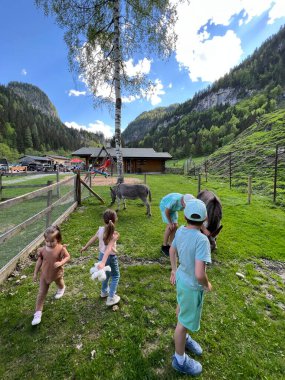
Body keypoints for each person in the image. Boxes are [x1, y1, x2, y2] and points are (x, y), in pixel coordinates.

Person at [169, 199, 212, 376]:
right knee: (183, 323)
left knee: (181, 306)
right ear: (205, 219)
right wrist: (207, 284)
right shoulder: (202, 241)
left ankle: (184, 338)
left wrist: (173, 270)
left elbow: (172, 250)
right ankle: (180, 359)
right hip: (192, 287)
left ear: (185, 215)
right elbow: (200, 274)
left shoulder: (180, 231)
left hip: (181, 280)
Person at [32, 225, 70, 326]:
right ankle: (37, 313)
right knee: (41, 293)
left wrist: (61, 262)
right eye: (47, 241)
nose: (49, 243)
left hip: (56, 273)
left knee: (59, 282)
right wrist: (35, 273)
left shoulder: (61, 248)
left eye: (52, 241)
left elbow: (67, 257)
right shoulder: (43, 250)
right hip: (44, 275)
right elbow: (39, 262)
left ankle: (62, 288)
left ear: (58, 240)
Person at [81, 209, 120, 306]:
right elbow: (109, 249)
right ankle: (111, 297)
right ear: (115, 220)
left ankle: (104, 292)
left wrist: (85, 247)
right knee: (115, 276)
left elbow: (93, 238)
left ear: (104, 220)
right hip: (109, 257)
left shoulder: (101, 230)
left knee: (105, 274)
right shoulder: (114, 234)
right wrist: (113, 252)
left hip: (101, 255)